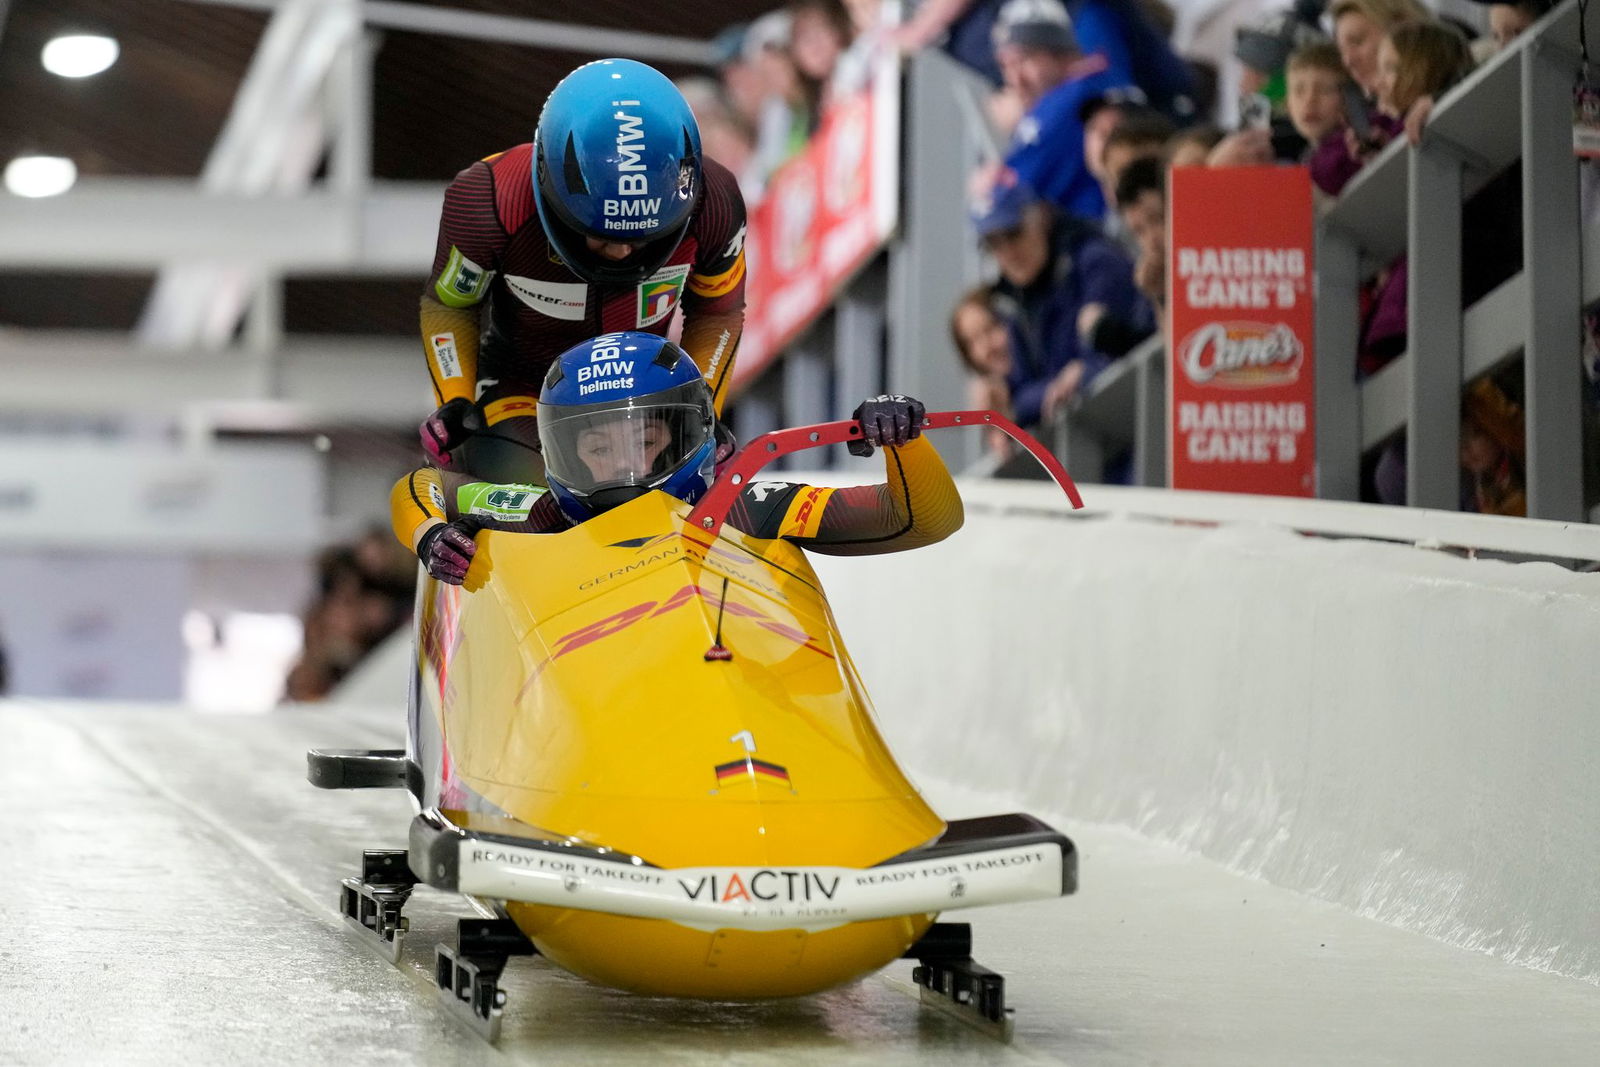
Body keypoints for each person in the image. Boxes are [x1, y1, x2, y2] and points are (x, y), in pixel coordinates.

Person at [391, 333, 963, 583]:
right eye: (596, 447)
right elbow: (426, 485)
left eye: (643, 442)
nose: (623, 465)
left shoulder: (743, 507)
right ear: (561, 452)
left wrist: (904, 441)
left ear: (687, 435)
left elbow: (920, 518)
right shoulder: (542, 513)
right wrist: (429, 538)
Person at [417, 58, 749, 486]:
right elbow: (449, 303)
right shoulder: (488, 201)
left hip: (644, 398)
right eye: (600, 234)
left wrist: (702, 403)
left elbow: (718, 311)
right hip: (523, 394)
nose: (622, 251)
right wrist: (455, 398)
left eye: (645, 237)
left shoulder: (716, 203)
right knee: (530, 502)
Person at [973, 171, 1146, 428]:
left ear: (1041, 216)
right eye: (993, 244)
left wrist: (1084, 373)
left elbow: (1122, 354)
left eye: (1013, 233)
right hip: (1081, 447)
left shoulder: (1095, 262)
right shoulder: (1012, 300)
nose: (1007, 253)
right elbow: (1018, 398)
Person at [993, 0, 1130, 222]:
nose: (1015, 80)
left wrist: (1022, 125)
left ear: (1063, 56)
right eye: (1006, 65)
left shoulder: (1065, 101)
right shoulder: (1094, 81)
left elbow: (1003, 199)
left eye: (1025, 60)